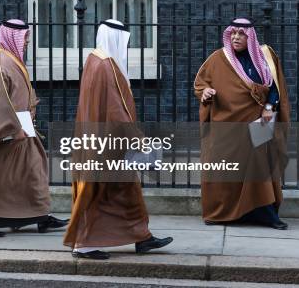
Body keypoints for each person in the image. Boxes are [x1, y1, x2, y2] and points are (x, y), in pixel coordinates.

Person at [63, 19, 173, 260]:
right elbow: (116, 111)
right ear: (116, 38)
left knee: (126, 192)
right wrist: (139, 141)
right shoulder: (105, 66)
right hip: (106, 147)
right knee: (97, 193)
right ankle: (83, 244)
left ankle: (142, 237)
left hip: (102, 142)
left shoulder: (93, 60)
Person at [0, 19, 68, 237]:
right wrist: (12, 130)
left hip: (22, 129)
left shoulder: (10, 59)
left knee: (33, 172)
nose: (26, 42)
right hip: (7, 134)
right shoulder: (1, 64)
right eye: (25, 37)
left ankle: (41, 217)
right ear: (12, 36)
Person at [194, 18, 289, 229]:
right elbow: (200, 84)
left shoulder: (264, 57)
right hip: (226, 125)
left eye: (241, 34)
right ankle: (224, 213)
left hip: (259, 121)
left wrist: (269, 108)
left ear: (250, 36)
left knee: (260, 167)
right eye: (233, 33)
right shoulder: (217, 59)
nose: (236, 37)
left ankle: (265, 214)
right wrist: (205, 93)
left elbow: (274, 88)